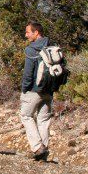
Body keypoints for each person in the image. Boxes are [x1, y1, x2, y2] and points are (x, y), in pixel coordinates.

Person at [20, 20, 55, 161]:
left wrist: (24, 89)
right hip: (49, 90)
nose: (26, 35)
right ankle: (44, 150)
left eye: (28, 32)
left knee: (26, 115)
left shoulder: (32, 50)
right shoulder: (52, 46)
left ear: (36, 33)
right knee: (43, 119)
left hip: (34, 90)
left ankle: (37, 147)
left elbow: (28, 74)